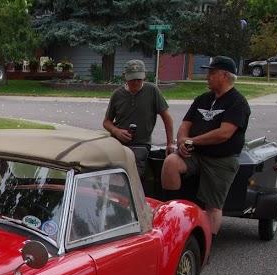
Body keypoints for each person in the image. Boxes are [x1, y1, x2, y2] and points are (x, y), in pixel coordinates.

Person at [161, 56, 250, 235]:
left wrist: (192, 141)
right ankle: (173, 213)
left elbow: (223, 133)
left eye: (212, 73)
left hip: (221, 159)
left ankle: (206, 244)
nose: (207, 76)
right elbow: (185, 124)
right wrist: (182, 141)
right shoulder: (202, 99)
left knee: (213, 206)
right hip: (195, 155)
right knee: (171, 162)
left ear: (224, 75)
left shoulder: (237, 102)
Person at [103, 59, 174, 179]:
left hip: (141, 144)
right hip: (118, 142)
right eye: (132, 79)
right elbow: (106, 122)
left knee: (133, 169)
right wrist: (117, 131)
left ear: (144, 76)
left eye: (139, 79)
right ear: (125, 77)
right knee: (107, 167)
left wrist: (170, 143)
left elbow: (167, 118)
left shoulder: (152, 90)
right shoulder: (117, 94)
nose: (136, 83)